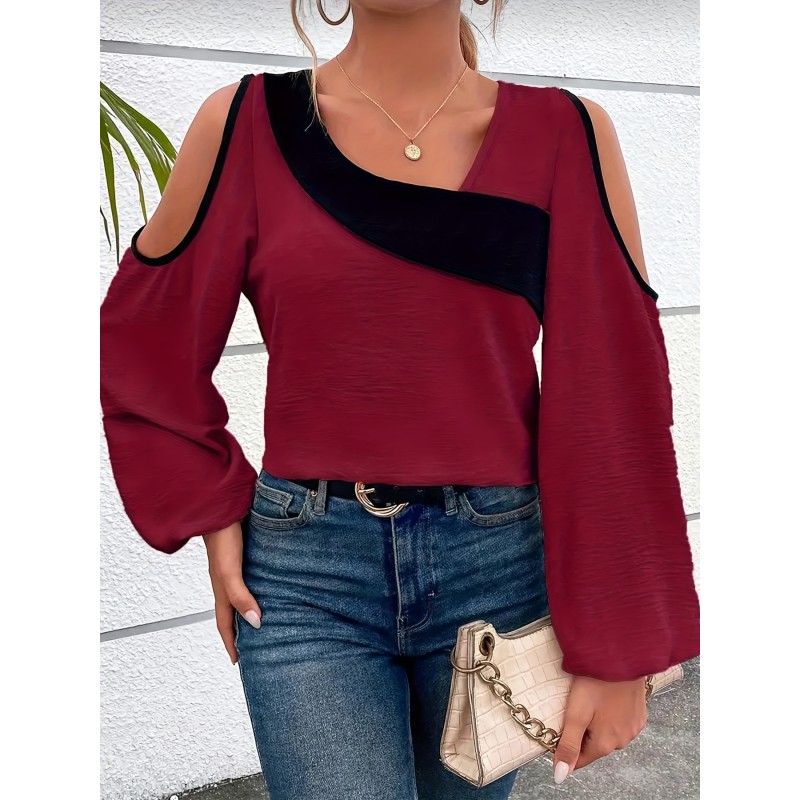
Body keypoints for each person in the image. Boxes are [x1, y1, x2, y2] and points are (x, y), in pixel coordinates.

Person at [99, 1, 700, 798]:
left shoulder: (568, 134)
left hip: (496, 574)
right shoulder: (244, 125)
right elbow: (146, 339)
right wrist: (210, 510)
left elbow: (613, 392)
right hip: (308, 578)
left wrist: (619, 644)